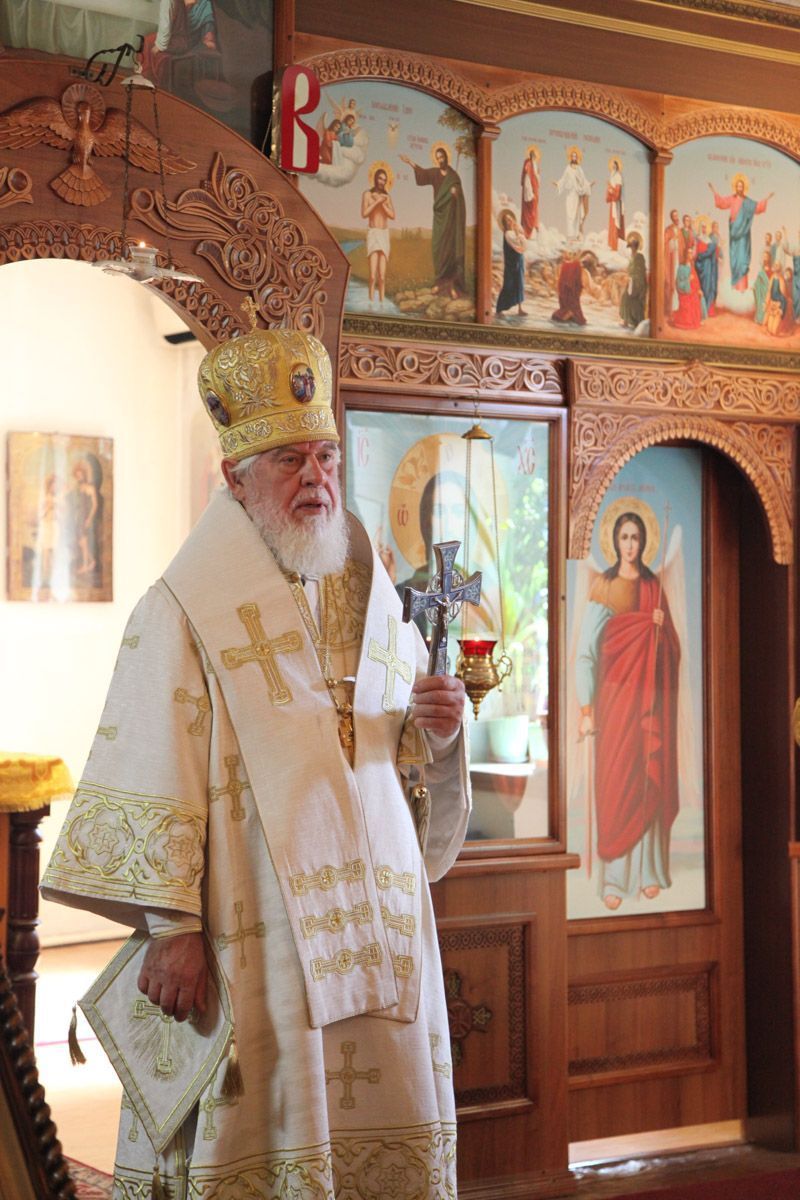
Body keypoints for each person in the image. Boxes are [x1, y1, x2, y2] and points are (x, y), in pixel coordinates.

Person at [41, 328, 470, 1198]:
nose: (316, 478)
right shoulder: (182, 605)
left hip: (382, 928)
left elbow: (396, 760)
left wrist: (443, 730)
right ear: (234, 478)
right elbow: (153, 757)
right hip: (259, 929)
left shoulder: (370, 588)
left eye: (326, 456)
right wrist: (173, 930)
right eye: (288, 460)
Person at [576, 511, 680, 909]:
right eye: (624, 537)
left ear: (643, 542)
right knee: (618, 782)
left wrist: (661, 629)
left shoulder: (654, 587)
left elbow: (672, 650)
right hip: (613, 705)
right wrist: (587, 707)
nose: (631, 544)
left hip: (647, 703)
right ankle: (615, 879)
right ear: (615, 541)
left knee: (648, 776)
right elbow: (587, 652)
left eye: (636, 537)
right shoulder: (604, 587)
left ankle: (649, 872)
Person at [400, 146, 467, 298]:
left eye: (442, 157)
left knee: (451, 250)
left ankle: (452, 285)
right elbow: (423, 174)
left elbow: (460, 197)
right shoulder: (435, 173)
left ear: (446, 157)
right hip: (439, 217)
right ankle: (440, 282)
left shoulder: (454, 177)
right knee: (438, 248)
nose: (440, 160)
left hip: (451, 219)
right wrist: (410, 162)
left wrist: (456, 192)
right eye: (437, 158)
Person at [709, 174, 774, 291]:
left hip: (744, 234)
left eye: (741, 186)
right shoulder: (732, 199)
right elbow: (722, 202)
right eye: (738, 186)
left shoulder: (747, 202)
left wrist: (767, 198)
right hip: (734, 233)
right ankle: (735, 286)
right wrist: (714, 191)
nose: (740, 188)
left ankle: (742, 287)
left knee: (743, 259)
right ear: (735, 187)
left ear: (744, 188)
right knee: (735, 260)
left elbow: (757, 207)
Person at [361, 164, 396, 305]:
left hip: (384, 235)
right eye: (380, 179)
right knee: (372, 275)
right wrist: (376, 202)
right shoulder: (367, 194)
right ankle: (370, 302)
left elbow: (392, 215)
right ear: (375, 179)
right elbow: (364, 214)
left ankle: (381, 304)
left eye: (384, 180)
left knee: (382, 276)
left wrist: (382, 203)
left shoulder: (387, 197)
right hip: (373, 234)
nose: (382, 182)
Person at [552, 146, 593, 240]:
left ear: (577, 158)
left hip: (577, 195)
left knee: (577, 214)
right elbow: (563, 179)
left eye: (575, 156)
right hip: (570, 194)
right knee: (569, 214)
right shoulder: (568, 168)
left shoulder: (579, 169)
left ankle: (576, 233)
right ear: (570, 157)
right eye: (572, 156)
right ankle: (570, 234)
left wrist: (588, 185)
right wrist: (558, 184)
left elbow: (583, 180)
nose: (574, 158)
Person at [495, 208, 527, 317]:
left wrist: (519, 233)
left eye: (511, 219)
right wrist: (518, 234)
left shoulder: (515, 231)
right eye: (507, 220)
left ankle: (520, 309)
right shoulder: (508, 234)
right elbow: (518, 244)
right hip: (511, 263)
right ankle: (499, 309)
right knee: (508, 285)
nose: (510, 221)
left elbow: (524, 244)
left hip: (519, 260)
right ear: (505, 223)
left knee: (519, 284)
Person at [619, 231, 647, 330]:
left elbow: (640, 271)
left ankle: (636, 321)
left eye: (632, 247)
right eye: (630, 248)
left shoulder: (639, 257)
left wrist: (632, 278)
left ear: (635, 247)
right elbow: (630, 269)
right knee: (625, 297)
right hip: (631, 282)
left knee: (632, 300)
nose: (631, 249)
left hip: (638, 283)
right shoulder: (632, 257)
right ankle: (626, 321)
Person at [694, 218, 719, 318]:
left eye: (705, 227)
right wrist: (697, 257)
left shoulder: (709, 240)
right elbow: (695, 252)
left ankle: (707, 309)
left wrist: (701, 256)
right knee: (699, 286)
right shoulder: (697, 239)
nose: (704, 229)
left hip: (707, 266)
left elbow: (710, 252)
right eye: (702, 227)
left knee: (707, 287)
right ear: (700, 228)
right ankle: (700, 310)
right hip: (698, 265)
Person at [663, 208, 680, 320]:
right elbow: (665, 243)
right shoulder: (668, 230)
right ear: (672, 218)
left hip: (679, 258)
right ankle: (671, 310)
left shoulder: (680, 230)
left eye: (677, 215)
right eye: (674, 216)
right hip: (672, 260)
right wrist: (673, 240)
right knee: (671, 282)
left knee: (679, 282)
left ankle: (678, 309)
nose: (676, 218)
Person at [520, 146, 540, 238]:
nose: (534, 157)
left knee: (534, 211)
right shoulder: (528, 164)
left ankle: (533, 232)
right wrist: (530, 194)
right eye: (533, 155)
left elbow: (537, 177)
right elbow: (527, 179)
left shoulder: (535, 164)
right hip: (530, 192)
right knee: (529, 211)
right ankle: (527, 233)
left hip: (535, 190)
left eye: (535, 155)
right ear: (531, 155)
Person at [605, 158, 625, 251]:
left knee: (616, 223)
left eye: (614, 165)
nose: (613, 167)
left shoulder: (618, 176)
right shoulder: (612, 176)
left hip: (617, 203)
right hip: (613, 202)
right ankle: (612, 244)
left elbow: (618, 192)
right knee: (612, 223)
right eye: (612, 165)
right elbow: (610, 190)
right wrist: (609, 190)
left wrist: (610, 189)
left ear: (617, 166)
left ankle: (615, 245)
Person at [752, 249, 772, 325]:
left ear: (769, 257)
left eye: (766, 256)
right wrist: (755, 285)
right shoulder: (762, 266)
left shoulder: (770, 266)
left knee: (764, 303)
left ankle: (764, 319)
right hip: (760, 288)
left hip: (766, 287)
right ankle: (759, 319)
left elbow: (769, 278)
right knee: (760, 302)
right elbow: (759, 277)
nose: (765, 258)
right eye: (764, 256)